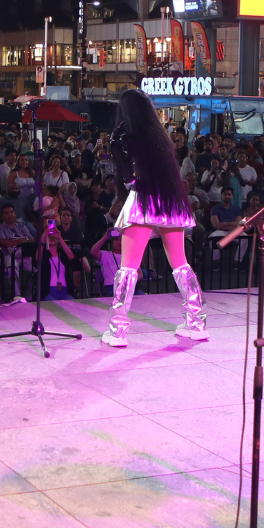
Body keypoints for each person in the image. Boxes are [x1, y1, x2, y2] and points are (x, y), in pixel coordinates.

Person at [102, 89, 206, 346]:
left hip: (142, 200)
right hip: (169, 199)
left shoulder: (122, 135)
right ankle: (196, 322)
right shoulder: (158, 136)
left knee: (128, 267)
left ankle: (118, 330)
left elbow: (128, 179)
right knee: (181, 264)